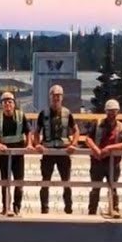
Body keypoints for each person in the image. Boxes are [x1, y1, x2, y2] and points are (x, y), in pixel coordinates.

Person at [32, 84, 79, 215]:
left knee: (66, 181)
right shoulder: (43, 113)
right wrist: (37, 144)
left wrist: (73, 144)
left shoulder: (67, 113)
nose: (56, 98)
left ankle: (68, 208)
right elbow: (36, 132)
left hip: (63, 152)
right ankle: (44, 208)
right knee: (45, 180)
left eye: (58, 95)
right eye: (54, 95)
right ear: (50, 97)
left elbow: (76, 131)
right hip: (48, 152)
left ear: (62, 97)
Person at [85, 98, 122, 217]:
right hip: (97, 162)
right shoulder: (97, 124)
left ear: (118, 112)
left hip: (113, 163)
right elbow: (88, 139)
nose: (111, 114)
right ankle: (92, 211)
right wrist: (96, 150)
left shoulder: (121, 127)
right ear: (106, 111)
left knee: (113, 188)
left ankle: (114, 209)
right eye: (109, 111)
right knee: (95, 188)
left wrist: (109, 148)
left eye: (114, 111)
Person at [0, 91, 30, 216]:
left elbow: (28, 132)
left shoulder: (21, 116)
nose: (7, 104)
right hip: (4, 154)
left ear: (14, 104)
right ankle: (5, 207)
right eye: (5, 102)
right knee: (5, 181)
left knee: (19, 181)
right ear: (1, 105)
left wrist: (29, 144)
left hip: (18, 154)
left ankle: (17, 207)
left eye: (10, 102)